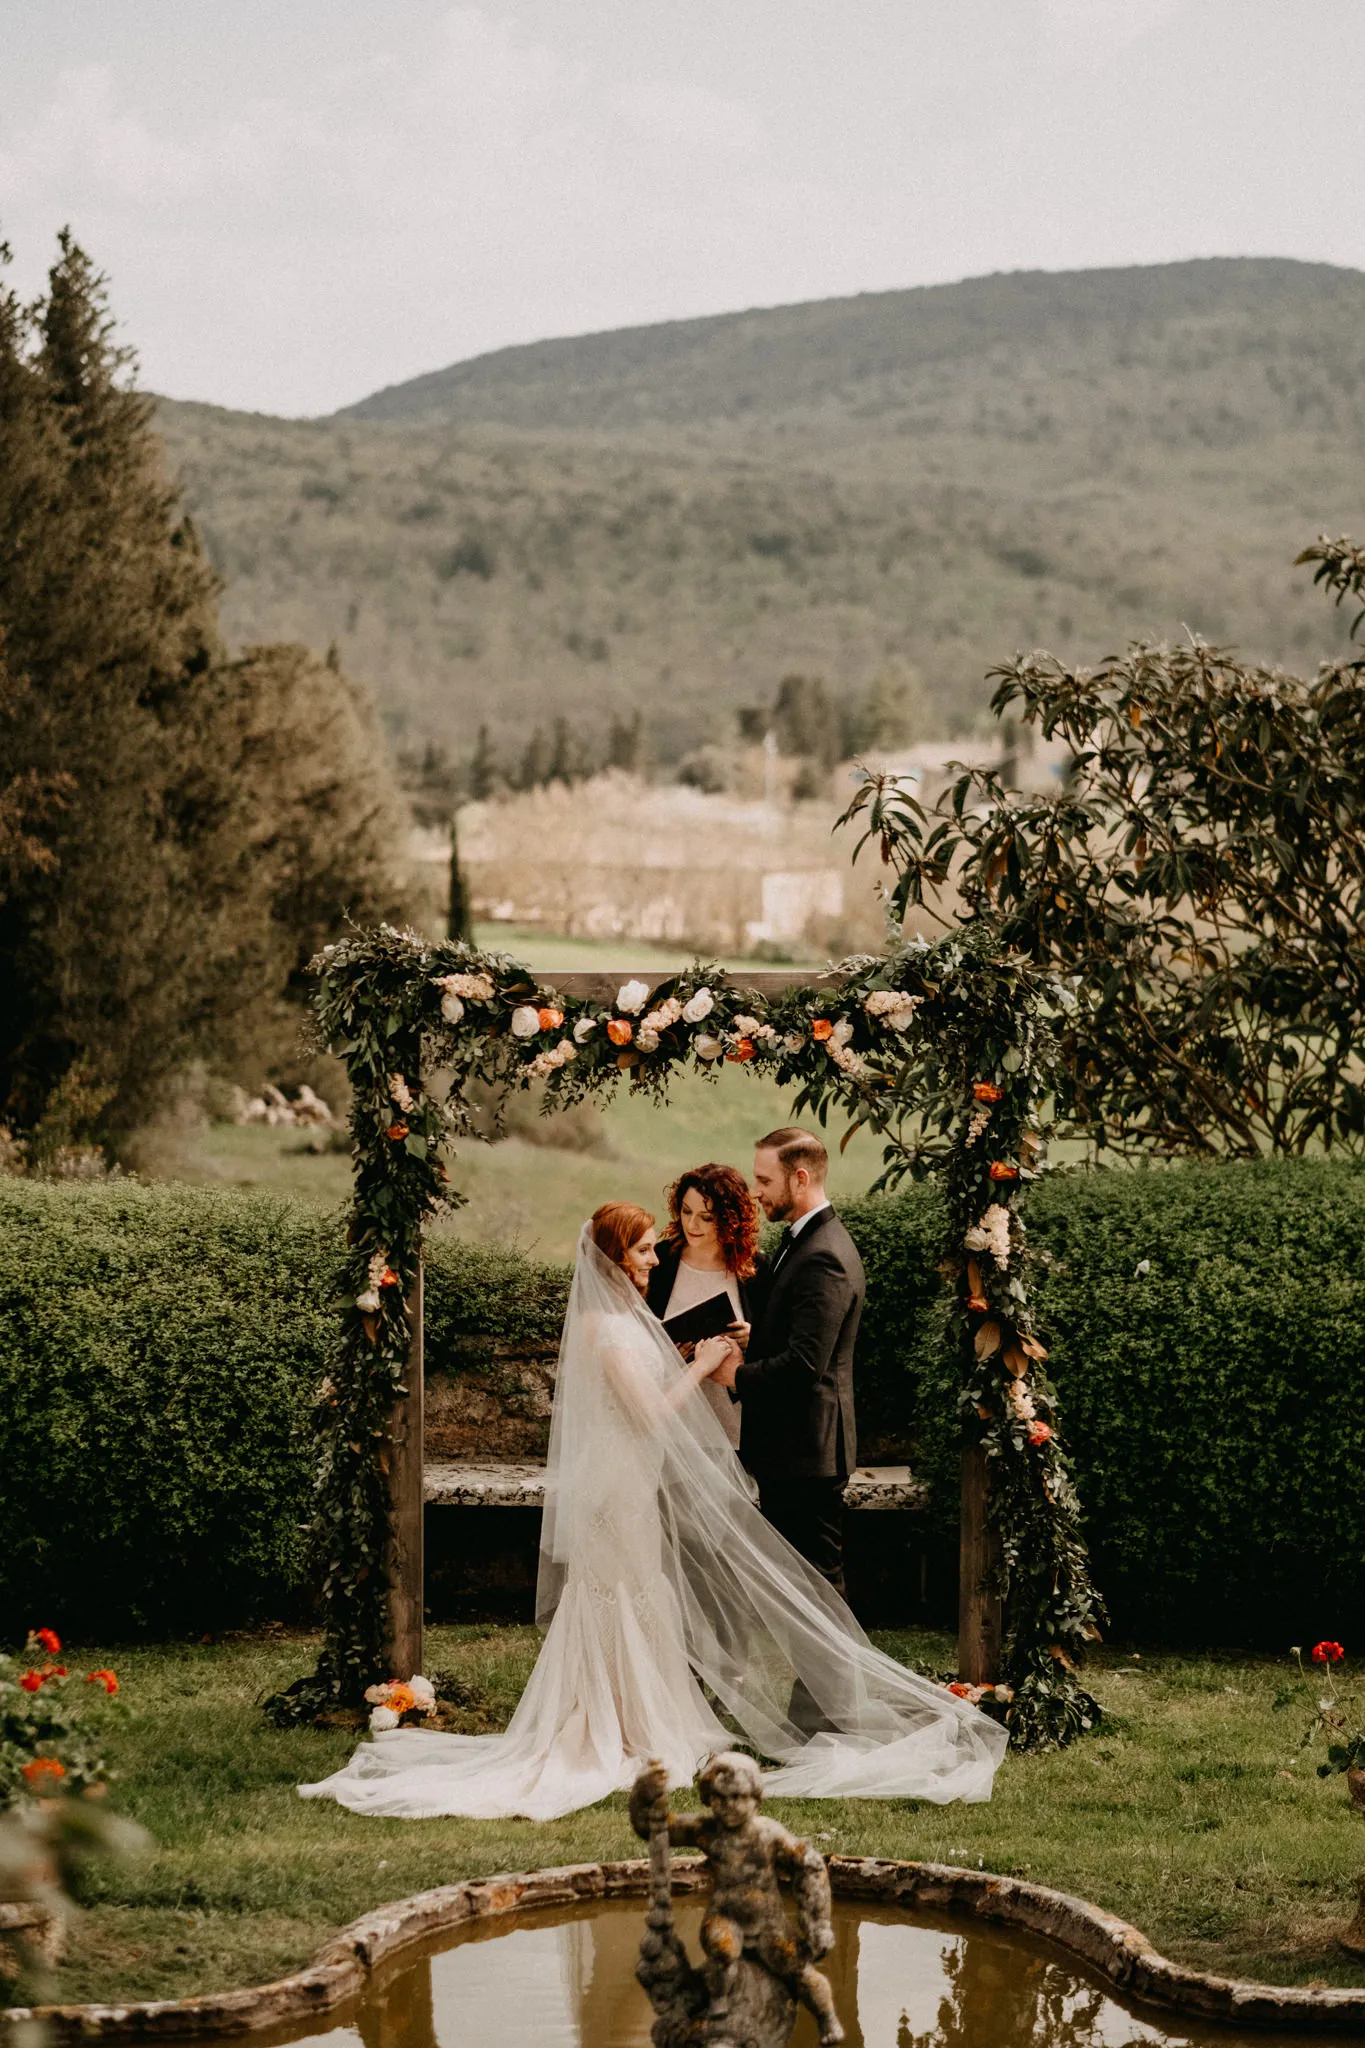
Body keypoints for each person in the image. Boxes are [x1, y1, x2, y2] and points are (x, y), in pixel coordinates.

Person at [299, 1200, 1005, 1821]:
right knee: (618, 1596)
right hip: (618, 1487)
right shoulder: (605, 1330)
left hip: (627, 1484)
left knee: (641, 1596)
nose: (651, 1257)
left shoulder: (623, 1318)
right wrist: (699, 1369)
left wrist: (695, 1353)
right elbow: (645, 1416)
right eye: (640, 1249)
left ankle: (641, 1722)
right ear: (613, 1257)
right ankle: (613, 1727)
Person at [707, 1128, 862, 1601]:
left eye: (763, 1180)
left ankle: (833, 1678)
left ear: (799, 1178)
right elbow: (807, 1336)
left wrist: (735, 1375)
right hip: (796, 1450)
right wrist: (759, 1337)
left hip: (807, 1452)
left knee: (818, 1587)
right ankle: (818, 1679)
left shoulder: (824, 1257)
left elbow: (803, 1366)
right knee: (806, 1587)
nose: (755, 1192)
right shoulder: (806, 1240)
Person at [647, 1161, 765, 1449]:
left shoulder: (755, 1268)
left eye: (706, 1217)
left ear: (730, 1219)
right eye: (686, 1212)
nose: (691, 1225)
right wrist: (664, 1351)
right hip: (671, 1426)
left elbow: (780, 1343)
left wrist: (755, 1337)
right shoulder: (660, 1261)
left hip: (733, 1429)